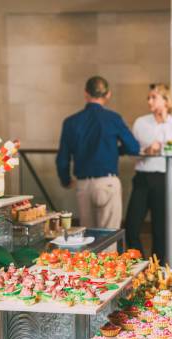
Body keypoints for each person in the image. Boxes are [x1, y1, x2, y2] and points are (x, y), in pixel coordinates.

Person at [56, 76, 140, 229]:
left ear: (85, 93)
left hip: (83, 185)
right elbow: (134, 148)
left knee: (88, 238)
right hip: (107, 183)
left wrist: (66, 180)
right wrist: (114, 150)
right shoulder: (113, 119)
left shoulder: (71, 122)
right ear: (108, 95)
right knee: (109, 237)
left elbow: (62, 158)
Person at [124, 84, 172, 262]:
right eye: (148, 97)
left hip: (163, 179)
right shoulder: (140, 122)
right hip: (142, 178)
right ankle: (140, 265)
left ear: (165, 100)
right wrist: (146, 150)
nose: (149, 101)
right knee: (131, 226)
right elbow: (132, 152)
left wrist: (164, 120)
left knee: (161, 229)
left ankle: (156, 270)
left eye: (153, 97)